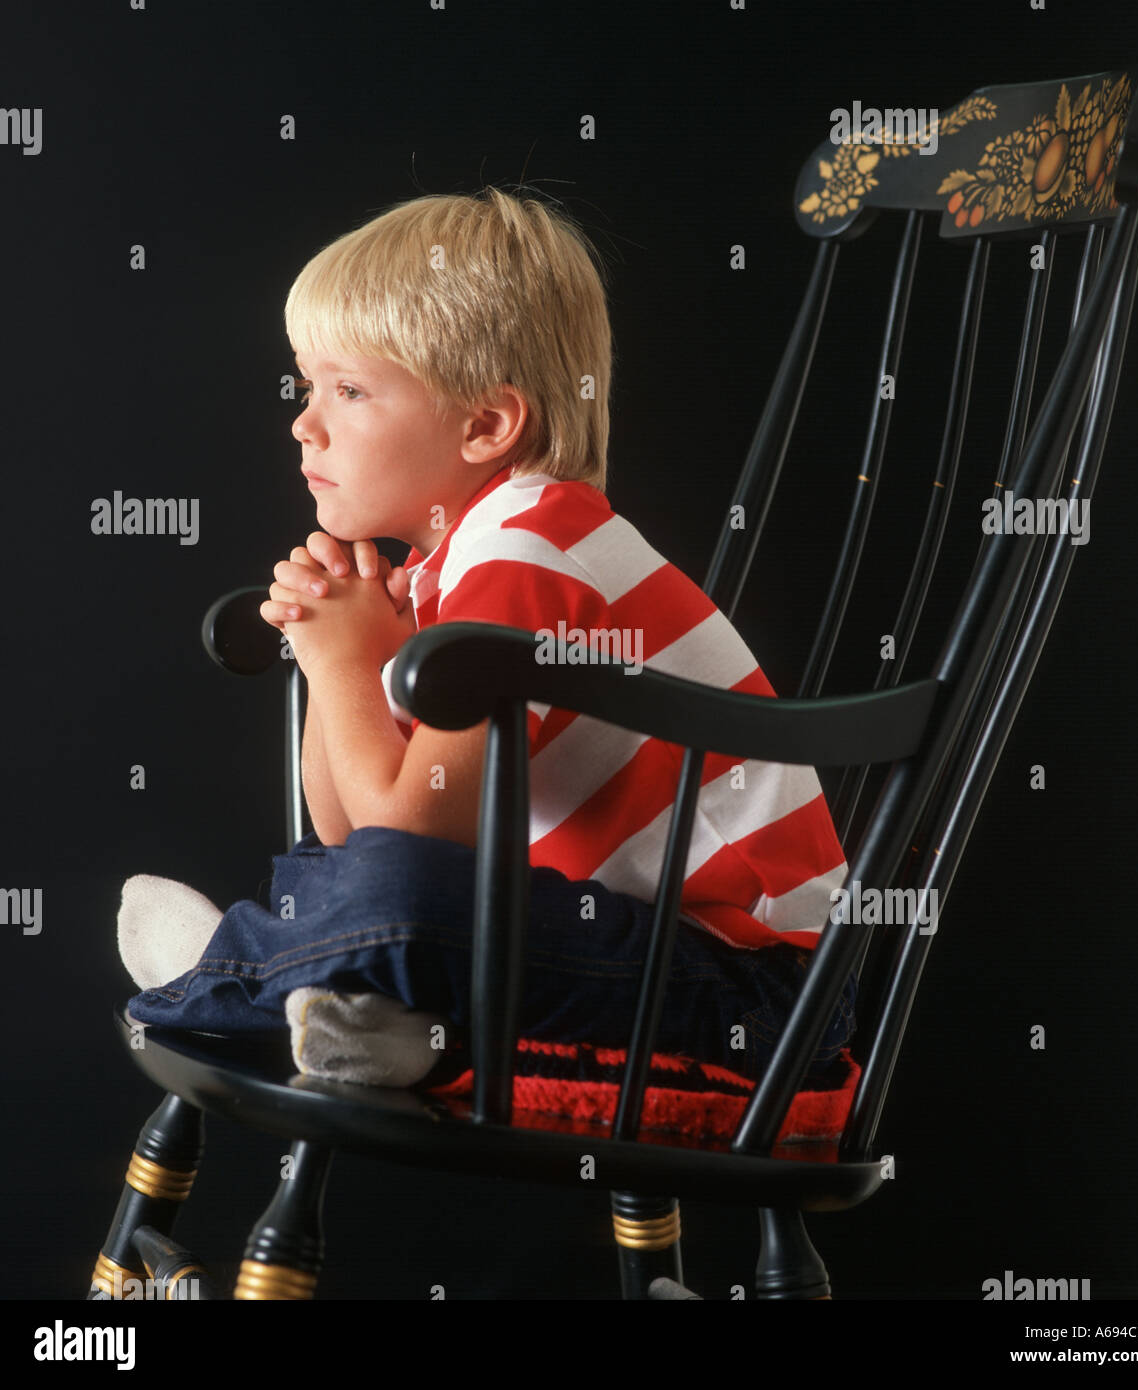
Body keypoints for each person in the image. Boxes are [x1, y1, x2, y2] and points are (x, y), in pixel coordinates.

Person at [120, 186, 855, 1089]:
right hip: (618, 953)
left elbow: (404, 841)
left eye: (347, 390)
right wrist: (332, 651)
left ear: (485, 425)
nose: (303, 422)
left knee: (405, 900)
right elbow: (350, 832)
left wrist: (348, 660)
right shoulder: (448, 568)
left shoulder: (526, 552)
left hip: (752, 993)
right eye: (309, 385)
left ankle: (227, 978)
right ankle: (361, 1014)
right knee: (356, 881)